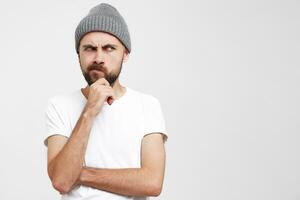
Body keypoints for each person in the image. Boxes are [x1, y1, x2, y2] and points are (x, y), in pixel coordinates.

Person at [43, 3, 168, 200]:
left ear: (125, 54)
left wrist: (81, 174)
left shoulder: (148, 105)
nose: (99, 58)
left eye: (109, 48)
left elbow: (152, 183)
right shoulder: (59, 105)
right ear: (79, 55)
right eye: (89, 48)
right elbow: (61, 181)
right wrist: (89, 110)